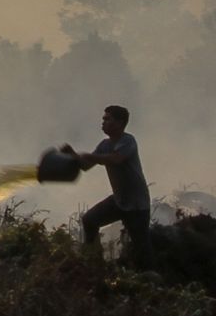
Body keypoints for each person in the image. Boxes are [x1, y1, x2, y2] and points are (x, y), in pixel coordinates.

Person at [63, 105, 153, 268]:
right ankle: (94, 262)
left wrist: (89, 156)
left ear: (120, 123)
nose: (103, 122)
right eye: (103, 119)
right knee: (89, 220)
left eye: (107, 119)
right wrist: (73, 155)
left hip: (137, 206)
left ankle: (150, 279)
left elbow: (115, 159)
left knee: (142, 252)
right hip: (119, 201)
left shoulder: (128, 141)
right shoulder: (104, 145)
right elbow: (85, 165)